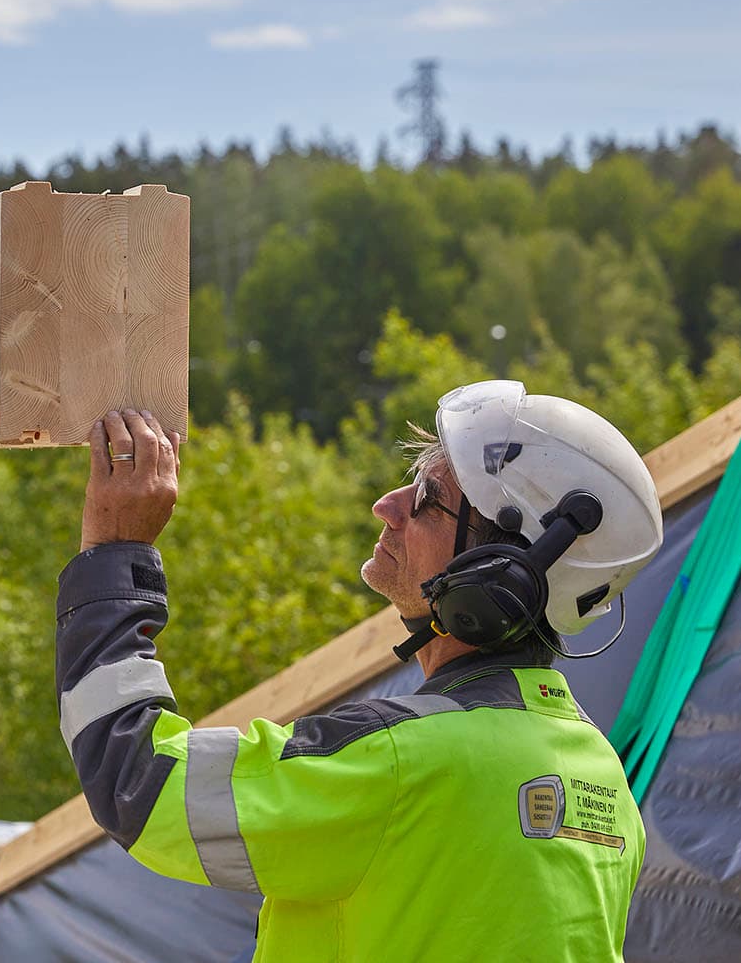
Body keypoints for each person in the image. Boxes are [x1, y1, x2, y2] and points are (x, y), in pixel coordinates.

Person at [57, 382, 662, 962]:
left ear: (502, 570)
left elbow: (140, 781)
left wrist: (114, 554)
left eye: (427, 496)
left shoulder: (402, 759)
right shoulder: (604, 783)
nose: (388, 506)